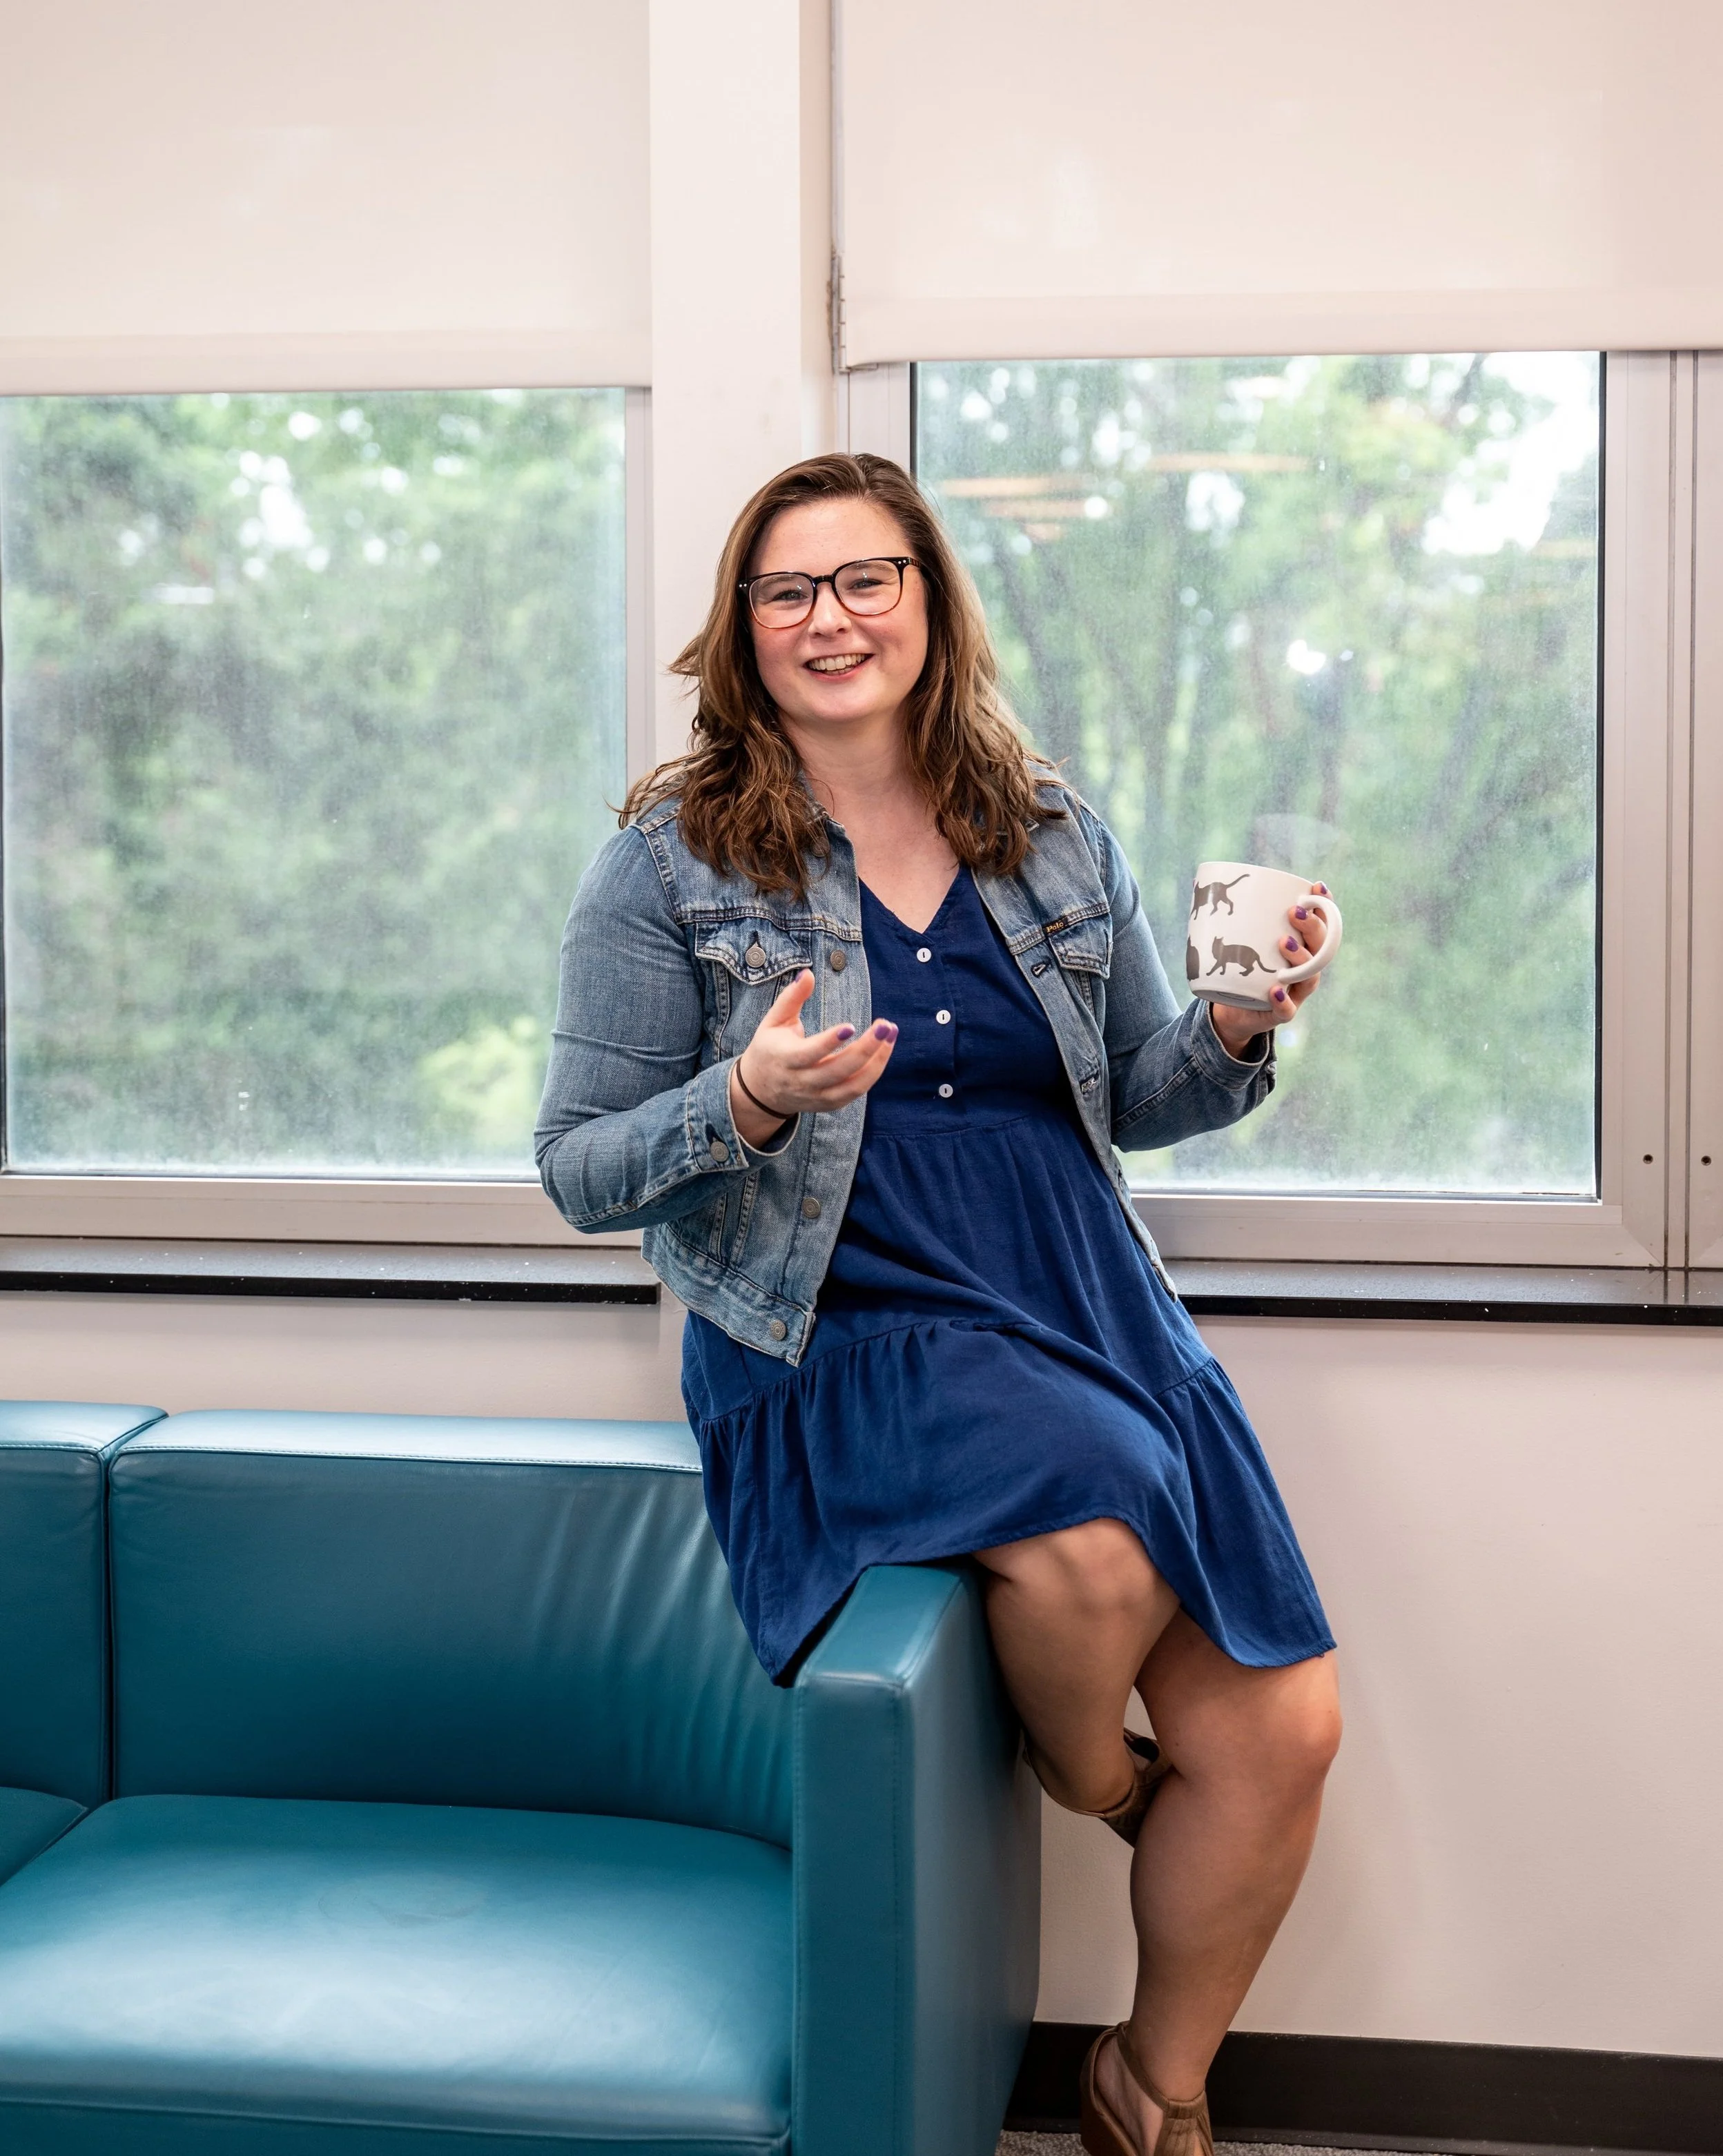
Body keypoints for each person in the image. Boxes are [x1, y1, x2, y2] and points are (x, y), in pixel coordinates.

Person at [536, 453, 1341, 2156]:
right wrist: (745, 1095)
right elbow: (580, 1167)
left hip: (1079, 1296)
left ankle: (1152, 2083)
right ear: (741, 629)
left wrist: (1243, 1023)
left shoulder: (1049, 830)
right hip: (834, 1325)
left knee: (1285, 1723)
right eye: (787, 589)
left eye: (864, 579)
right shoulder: (666, 863)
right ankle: (1097, 1778)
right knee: (1094, 1545)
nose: (829, 617)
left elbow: (1135, 1091)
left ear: (926, 599)